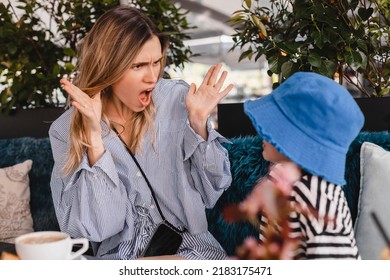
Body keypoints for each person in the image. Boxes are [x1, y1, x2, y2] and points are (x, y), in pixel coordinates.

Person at [49, 6, 234, 260]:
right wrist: (94, 138)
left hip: (190, 253)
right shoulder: (65, 130)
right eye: (138, 66)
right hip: (117, 261)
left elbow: (213, 189)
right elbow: (100, 228)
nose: (152, 77)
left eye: (156, 62)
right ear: (108, 67)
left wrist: (199, 123)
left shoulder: (177, 99)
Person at [241, 72, 364, 259]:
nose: (262, 130)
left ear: (297, 139)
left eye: (274, 126)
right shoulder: (280, 179)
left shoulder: (316, 194)